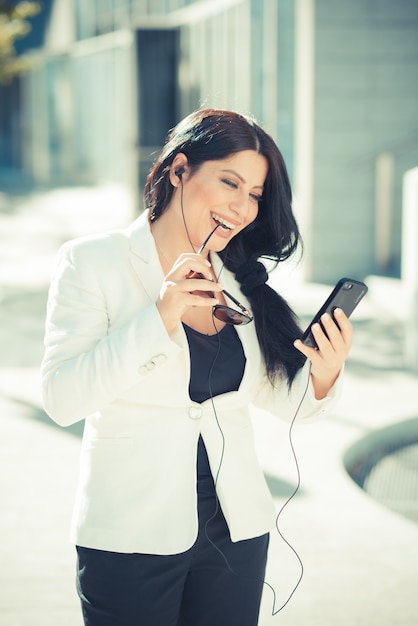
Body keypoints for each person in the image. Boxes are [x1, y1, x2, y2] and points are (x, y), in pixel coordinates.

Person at [41, 108, 352, 626]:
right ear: (180, 170)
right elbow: (62, 398)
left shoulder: (237, 282)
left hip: (237, 534)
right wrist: (160, 316)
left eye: (254, 193)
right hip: (131, 539)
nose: (243, 206)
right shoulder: (92, 262)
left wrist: (326, 373)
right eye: (230, 182)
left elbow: (284, 402)